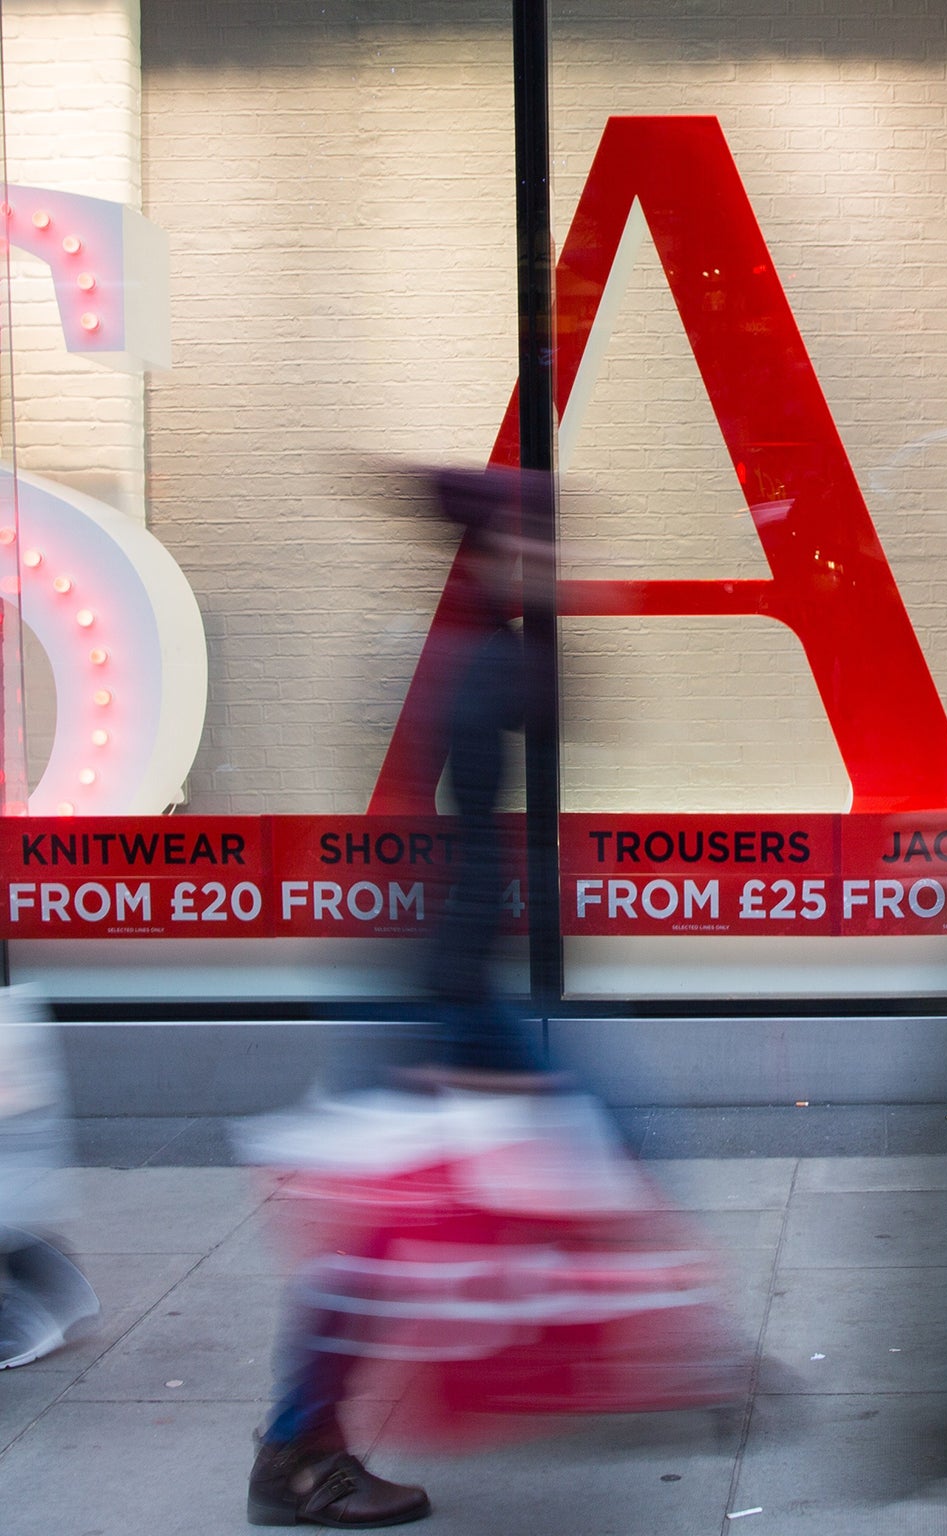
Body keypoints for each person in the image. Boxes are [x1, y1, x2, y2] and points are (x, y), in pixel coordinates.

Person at [247, 467, 543, 1529]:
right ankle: (294, 1450)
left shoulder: (480, 642)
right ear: (498, 550)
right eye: (537, 545)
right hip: (437, 984)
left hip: (444, 975)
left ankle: (634, 1357)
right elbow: (462, 846)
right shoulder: (471, 660)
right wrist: (445, 1028)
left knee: (591, 1143)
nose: (556, 566)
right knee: (380, 1231)